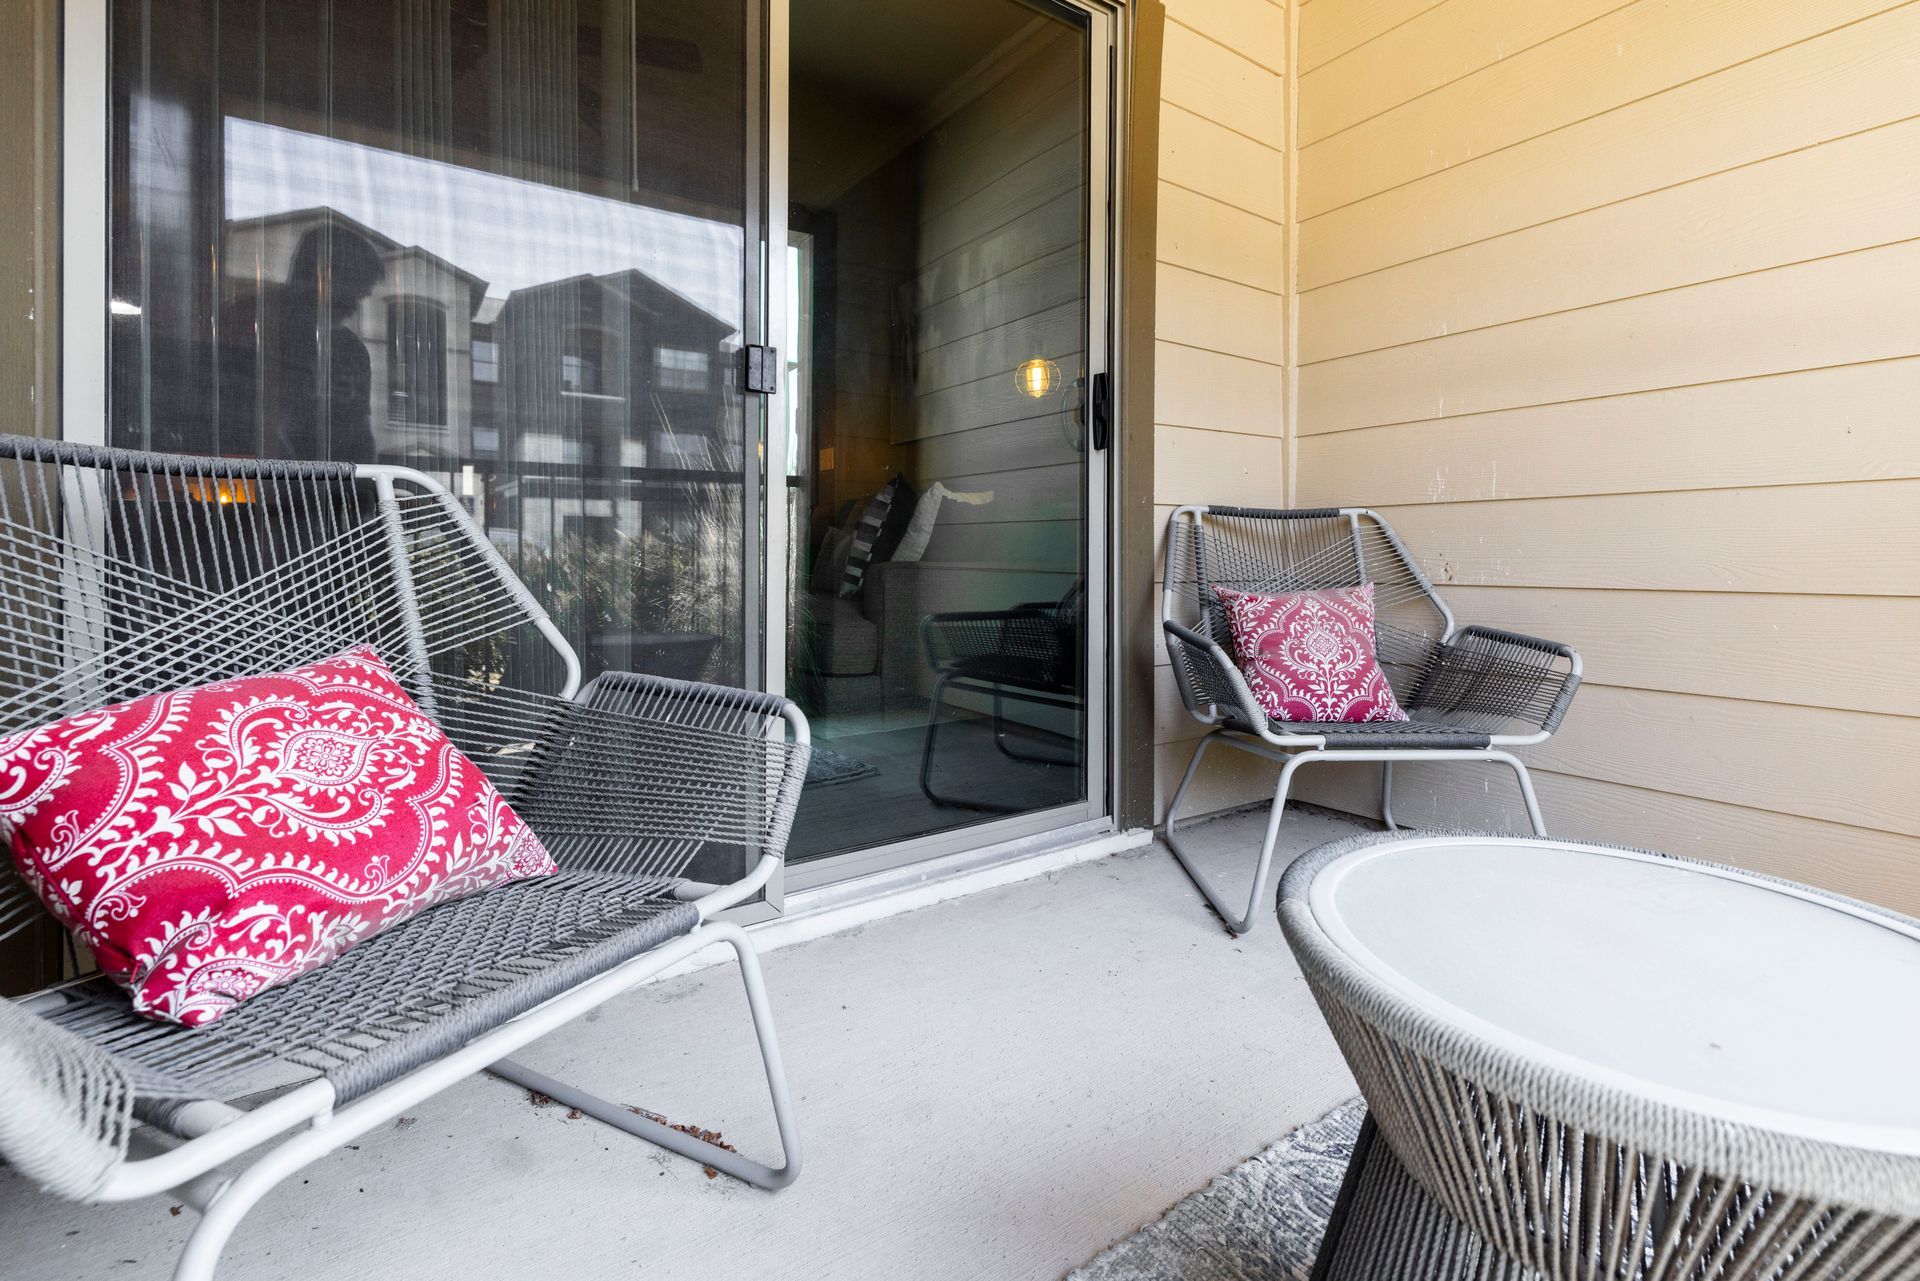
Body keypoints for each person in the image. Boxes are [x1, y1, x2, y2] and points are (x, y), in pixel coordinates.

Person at [271, 221, 384, 463]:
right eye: (350, 294)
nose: (354, 307)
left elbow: (362, 438)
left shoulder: (352, 351)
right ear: (319, 277)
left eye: (359, 298)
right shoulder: (258, 328)